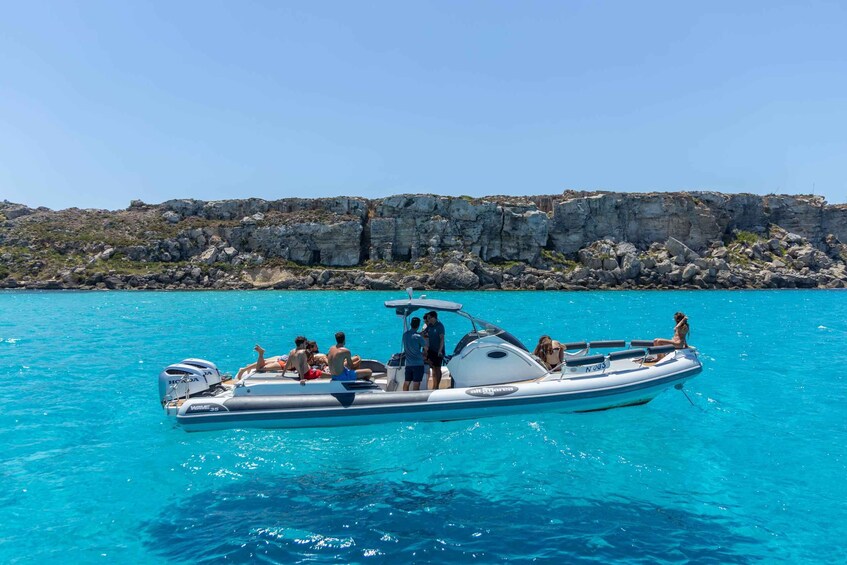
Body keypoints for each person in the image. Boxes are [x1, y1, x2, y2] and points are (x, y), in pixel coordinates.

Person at [402, 317, 426, 391]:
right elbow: (426, 347)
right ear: (418, 325)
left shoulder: (405, 335)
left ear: (410, 324)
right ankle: (415, 399)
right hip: (418, 364)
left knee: (406, 382)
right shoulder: (418, 337)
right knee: (416, 384)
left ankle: (404, 398)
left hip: (408, 364)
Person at [423, 311, 446, 390]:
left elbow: (442, 339)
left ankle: (437, 386)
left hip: (438, 350)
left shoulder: (440, 326)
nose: (428, 319)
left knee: (437, 368)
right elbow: (423, 333)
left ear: (433, 318)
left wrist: (440, 350)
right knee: (433, 368)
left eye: (429, 318)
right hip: (431, 350)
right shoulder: (429, 325)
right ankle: (434, 384)